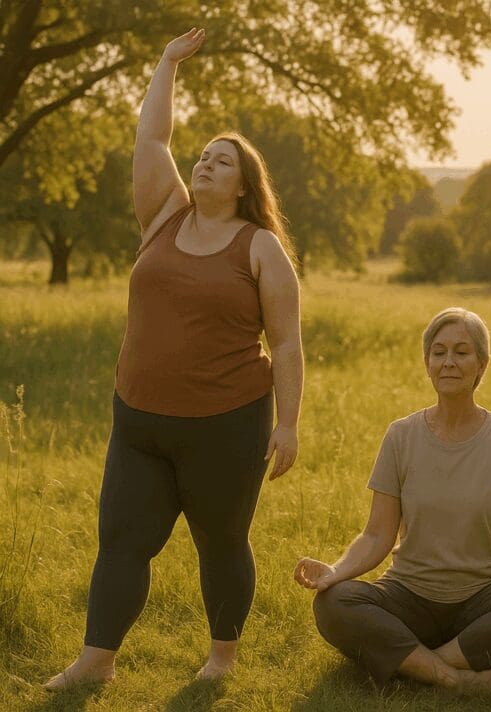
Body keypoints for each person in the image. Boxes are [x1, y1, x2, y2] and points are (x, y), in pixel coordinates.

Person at [45, 28, 303, 689]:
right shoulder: (163, 215)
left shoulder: (260, 249)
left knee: (220, 545)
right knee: (122, 541)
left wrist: (289, 423)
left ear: (245, 186)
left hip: (227, 421)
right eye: (204, 157)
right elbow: (153, 141)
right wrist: (166, 64)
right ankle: (96, 663)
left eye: (222, 162)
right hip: (139, 418)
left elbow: (288, 342)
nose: (204, 164)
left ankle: (221, 658)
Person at [296, 308, 491, 701]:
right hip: (409, 593)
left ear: (481, 365)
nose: (448, 362)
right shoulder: (401, 436)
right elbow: (377, 534)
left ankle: (413, 666)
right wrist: (335, 571)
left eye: (461, 352)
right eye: (438, 352)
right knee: (334, 604)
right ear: (427, 364)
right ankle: (454, 677)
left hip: (486, 595)